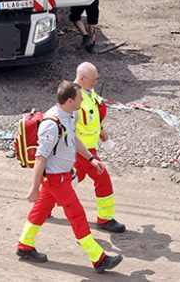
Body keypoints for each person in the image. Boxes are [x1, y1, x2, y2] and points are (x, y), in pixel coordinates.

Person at [16, 80, 123, 273]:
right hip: (57, 180)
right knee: (77, 216)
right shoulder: (51, 124)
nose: (83, 99)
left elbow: (73, 138)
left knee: (40, 212)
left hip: (60, 178)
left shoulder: (69, 115)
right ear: (70, 100)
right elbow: (40, 158)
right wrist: (33, 188)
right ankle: (98, 258)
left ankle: (24, 245)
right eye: (80, 97)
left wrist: (91, 159)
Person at [73, 61, 126, 233]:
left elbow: (93, 114)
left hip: (88, 147)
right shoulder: (73, 98)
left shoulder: (88, 91)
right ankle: (105, 219)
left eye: (96, 79)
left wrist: (101, 130)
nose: (95, 83)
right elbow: (68, 127)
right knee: (102, 178)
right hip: (82, 148)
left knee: (73, 177)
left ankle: (46, 198)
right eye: (93, 80)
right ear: (81, 78)